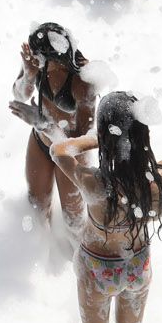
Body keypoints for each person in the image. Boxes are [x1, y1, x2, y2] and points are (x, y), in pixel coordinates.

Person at [51, 91, 162, 323]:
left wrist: (97, 139)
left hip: (97, 269)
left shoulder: (94, 185)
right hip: (138, 265)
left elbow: (58, 151)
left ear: (104, 136)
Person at [10, 23, 97, 227]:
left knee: (73, 220)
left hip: (71, 154)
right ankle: (40, 245)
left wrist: (43, 123)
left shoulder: (83, 80)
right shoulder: (35, 59)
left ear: (57, 59)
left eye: (39, 59)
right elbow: (19, 94)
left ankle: (74, 248)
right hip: (41, 140)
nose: (34, 60)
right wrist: (29, 74)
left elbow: (85, 139)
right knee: (37, 205)